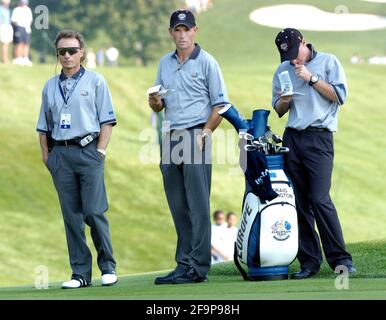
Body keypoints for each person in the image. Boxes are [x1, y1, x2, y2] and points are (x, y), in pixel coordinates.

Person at [149, 9, 229, 284]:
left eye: (187, 29)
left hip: (196, 134)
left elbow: (221, 105)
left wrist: (206, 131)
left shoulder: (208, 63)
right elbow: (160, 102)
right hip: (170, 136)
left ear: (195, 31)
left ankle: (199, 267)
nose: (182, 35)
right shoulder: (164, 63)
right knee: (178, 205)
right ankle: (183, 264)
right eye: (177, 30)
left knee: (197, 205)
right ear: (171, 32)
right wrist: (155, 103)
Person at [36, 30, 118, 289]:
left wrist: (101, 151)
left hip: (89, 151)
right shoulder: (50, 85)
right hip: (60, 154)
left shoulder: (96, 81)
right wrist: (47, 157)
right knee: (71, 216)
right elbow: (43, 126)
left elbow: (107, 121)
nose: (67, 55)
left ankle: (107, 267)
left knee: (94, 211)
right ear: (57, 55)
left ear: (82, 52)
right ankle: (80, 274)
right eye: (62, 51)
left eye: (72, 50)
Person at [271, 28, 355, 280]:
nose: (294, 60)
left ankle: (341, 260)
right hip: (292, 138)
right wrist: (284, 100)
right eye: (289, 57)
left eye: (296, 54)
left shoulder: (328, 61)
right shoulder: (282, 69)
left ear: (303, 43)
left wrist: (311, 78)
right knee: (299, 203)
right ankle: (309, 262)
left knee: (320, 199)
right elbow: (277, 109)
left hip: (319, 138)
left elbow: (339, 96)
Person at [11, 0, 33, 66]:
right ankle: (18, 58)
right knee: (19, 43)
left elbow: (30, 20)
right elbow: (13, 20)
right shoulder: (16, 10)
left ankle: (25, 58)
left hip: (26, 28)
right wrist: (18, 26)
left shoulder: (28, 10)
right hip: (19, 27)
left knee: (26, 43)